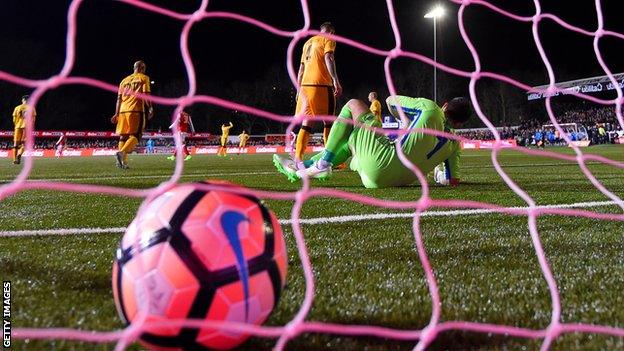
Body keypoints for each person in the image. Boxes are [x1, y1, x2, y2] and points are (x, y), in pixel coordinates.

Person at [274, 95, 471, 188]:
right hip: (396, 182)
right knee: (353, 139)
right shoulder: (455, 143)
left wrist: (406, 122)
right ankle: (305, 165)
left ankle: (322, 163)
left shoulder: (431, 108)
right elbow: (453, 180)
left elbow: (391, 101)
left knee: (353, 104)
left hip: (380, 164)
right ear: (460, 124)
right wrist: (438, 175)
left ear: (445, 105)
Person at [291, 22, 342, 168]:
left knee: (307, 123)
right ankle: (329, 159)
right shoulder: (328, 39)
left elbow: (301, 69)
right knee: (329, 122)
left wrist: (298, 90)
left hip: (305, 88)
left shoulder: (307, 43)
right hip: (321, 86)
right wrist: (335, 81)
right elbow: (329, 58)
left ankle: (298, 158)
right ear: (330, 31)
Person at [111, 60, 153, 169]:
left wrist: (116, 113)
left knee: (123, 136)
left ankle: (122, 163)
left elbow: (119, 99)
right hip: (136, 110)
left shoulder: (123, 81)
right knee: (137, 135)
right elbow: (145, 94)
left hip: (123, 111)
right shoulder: (144, 78)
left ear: (134, 68)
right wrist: (150, 108)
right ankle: (122, 153)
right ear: (142, 68)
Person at [11, 95, 37, 165]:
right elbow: (33, 119)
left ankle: (14, 160)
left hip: (18, 126)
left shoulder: (17, 107)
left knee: (15, 144)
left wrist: (17, 124)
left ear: (23, 100)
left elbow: (14, 119)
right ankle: (19, 154)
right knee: (24, 144)